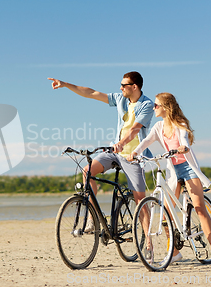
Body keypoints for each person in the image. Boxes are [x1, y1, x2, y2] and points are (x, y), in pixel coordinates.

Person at [48, 71, 154, 231]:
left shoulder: (147, 104)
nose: (120, 88)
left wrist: (122, 143)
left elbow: (135, 129)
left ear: (134, 87)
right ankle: (93, 218)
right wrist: (66, 84)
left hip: (134, 157)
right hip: (114, 151)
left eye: (123, 85)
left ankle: (148, 244)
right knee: (87, 172)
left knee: (140, 201)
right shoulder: (120, 100)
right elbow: (91, 93)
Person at [127, 92, 211, 263]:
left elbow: (184, 140)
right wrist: (135, 152)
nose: (153, 108)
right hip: (172, 169)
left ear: (166, 107)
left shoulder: (180, 124)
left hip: (188, 168)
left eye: (156, 105)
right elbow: (146, 142)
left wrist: (184, 148)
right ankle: (175, 252)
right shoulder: (158, 127)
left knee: (199, 207)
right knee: (166, 214)